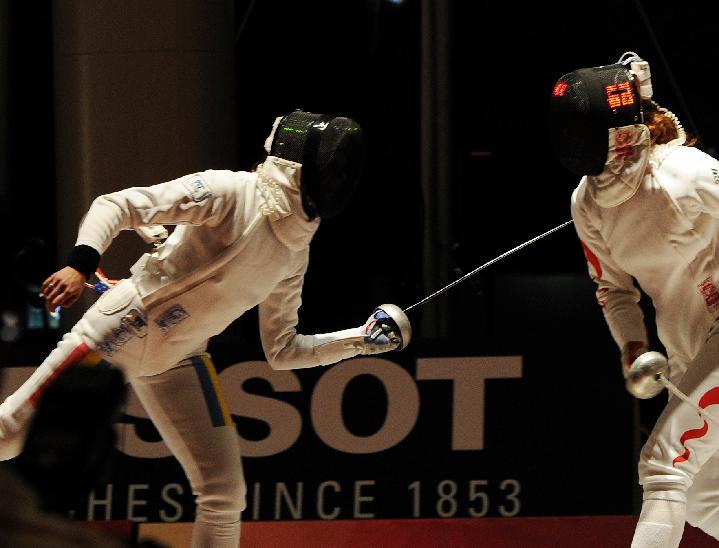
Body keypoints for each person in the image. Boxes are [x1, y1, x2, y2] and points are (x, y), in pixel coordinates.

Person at [0, 110, 411, 548]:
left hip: (181, 357)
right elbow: (117, 205)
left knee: (224, 493)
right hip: (118, 328)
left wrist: (359, 341)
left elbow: (283, 349)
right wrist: (81, 265)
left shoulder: (295, 253)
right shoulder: (231, 190)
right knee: (8, 431)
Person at [550, 53, 719, 547]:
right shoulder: (586, 204)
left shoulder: (684, 170)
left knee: (663, 464)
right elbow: (613, 288)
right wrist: (632, 344)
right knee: (703, 502)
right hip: (687, 351)